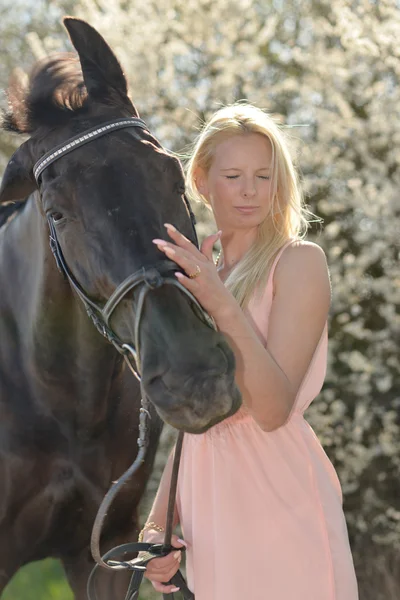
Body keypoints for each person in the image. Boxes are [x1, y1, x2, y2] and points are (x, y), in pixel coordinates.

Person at [141, 103, 359, 599]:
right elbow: (198, 417)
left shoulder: (299, 262)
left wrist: (220, 303)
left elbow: (273, 407)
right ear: (201, 181)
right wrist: (158, 526)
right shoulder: (200, 279)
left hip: (280, 492)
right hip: (209, 502)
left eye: (264, 175)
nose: (249, 190)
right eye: (234, 175)